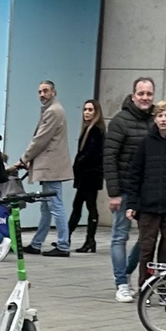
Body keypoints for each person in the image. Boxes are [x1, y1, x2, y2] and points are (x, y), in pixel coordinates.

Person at [120, 100, 166, 276]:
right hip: (148, 206)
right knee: (147, 248)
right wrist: (132, 203)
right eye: (160, 115)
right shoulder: (146, 142)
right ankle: (145, 285)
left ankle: (165, 288)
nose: (163, 119)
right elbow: (135, 174)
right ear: (155, 119)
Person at [102, 76, 157, 298]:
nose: (145, 98)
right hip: (124, 189)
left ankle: (125, 272)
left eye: (149, 94)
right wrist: (114, 193)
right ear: (133, 95)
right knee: (120, 236)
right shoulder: (120, 121)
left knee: (145, 238)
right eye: (141, 93)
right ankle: (121, 283)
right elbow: (109, 157)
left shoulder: (155, 121)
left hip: (147, 191)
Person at [16, 79, 72, 255]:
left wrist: (25, 158)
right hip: (50, 166)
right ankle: (37, 243)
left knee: (55, 206)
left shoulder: (53, 112)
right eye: (40, 91)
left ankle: (63, 244)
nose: (42, 94)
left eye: (45, 91)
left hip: (50, 168)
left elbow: (40, 139)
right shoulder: (53, 110)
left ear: (53, 92)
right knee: (47, 207)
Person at [71, 99, 104, 251]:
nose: (87, 113)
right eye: (85, 109)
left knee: (87, 206)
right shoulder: (88, 129)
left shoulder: (96, 130)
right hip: (86, 175)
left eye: (90, 110)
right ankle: (73, 238)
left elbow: (91, 153)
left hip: (90, 175)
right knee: (79, 205)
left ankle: (88, 240)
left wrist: (79, 164)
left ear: (96, 112)